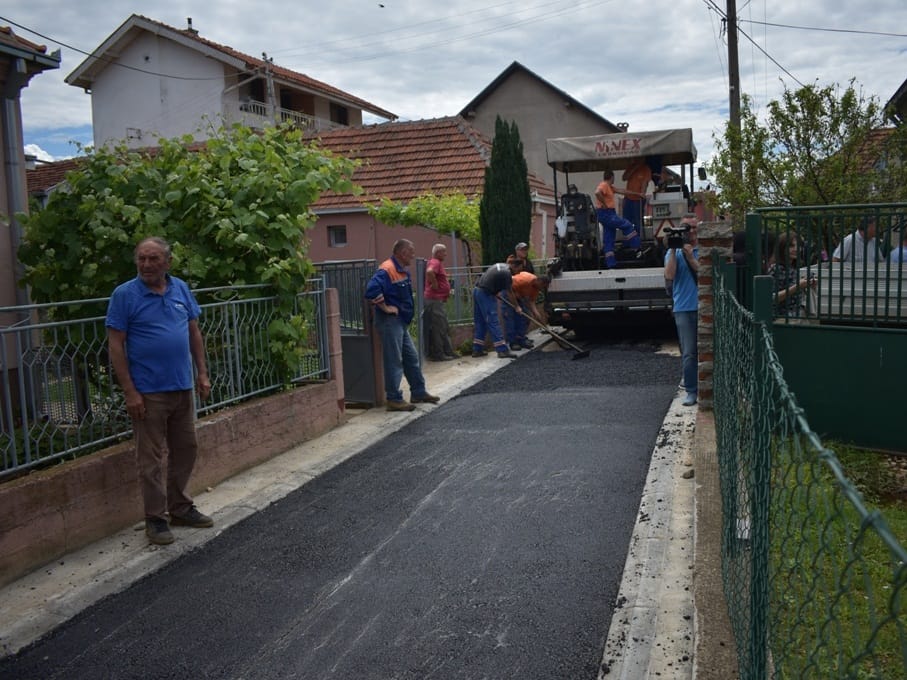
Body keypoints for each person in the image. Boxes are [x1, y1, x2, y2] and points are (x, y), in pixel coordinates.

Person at [106, 236, 213, 546]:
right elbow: (115, 345)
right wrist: (130, 391)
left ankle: (180, 507)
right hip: (148, 391)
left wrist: (202, 373)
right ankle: (156, 518)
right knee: (150, 458)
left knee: (186, 448)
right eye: (142, 259)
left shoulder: (180, 288)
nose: (147, 265)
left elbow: (194, 332)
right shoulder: (124, 295)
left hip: (182, 385)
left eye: (153, 259)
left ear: (167, 262)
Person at [365, 239, 441, 412]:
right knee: (394, 360)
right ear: (402, 252)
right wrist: (385, 307)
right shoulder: (387, 269)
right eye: (411, 251)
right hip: (390, 322)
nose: (413, 255)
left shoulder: (400, 270)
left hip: (399, 323)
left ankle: (418, 392)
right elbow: (371, 290)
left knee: (411, 358)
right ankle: (393, 399)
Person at [664, 217, 699, 406]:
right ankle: (691, 391)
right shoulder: (674, 253)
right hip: (684, 308)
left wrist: (691, 257)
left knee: (709, 351)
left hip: (703, 306)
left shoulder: (704, 250)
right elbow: (669, 275)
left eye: (693, 228)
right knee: (688, 352)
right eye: (687, 228)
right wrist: (673, 249)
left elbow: (706, 274)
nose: (690, 232)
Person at [472, 258, 522, 359]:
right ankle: (502, 350)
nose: (518, 273)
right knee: (493, 321)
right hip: (485, 294)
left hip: (477, 291)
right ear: (514, 266)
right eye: (519, 270)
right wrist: (517, 306)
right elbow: (510, 292)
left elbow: (492, 280)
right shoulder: (507, 273)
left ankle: (477, 349)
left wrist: (495, 292)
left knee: (481, 322)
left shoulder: (500, 265)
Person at [595, 169, 642, 269]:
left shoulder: (610, 187)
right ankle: (636, 247)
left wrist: (638, 194)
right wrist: (604, 204)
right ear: (611, 177)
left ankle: (611, 264)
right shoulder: (604, 185)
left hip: (606, 214)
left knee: (609, 238)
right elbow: (597, 192)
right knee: (627, 225)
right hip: (607, 213)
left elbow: (623, 191)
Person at [768, 231, 816, 318]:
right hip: (781, 318)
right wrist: (797, 286)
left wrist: (806, 284)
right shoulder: (776, 269)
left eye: (799, 246)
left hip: (796, 315)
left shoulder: (793, 267)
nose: (796, 249)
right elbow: (771, 298)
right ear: (782, 248)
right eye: (791, 246)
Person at [423, 243, 456, 361]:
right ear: (438, 253)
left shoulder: (436, 262)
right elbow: (429, 272)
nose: (446, 254)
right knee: (440, 327)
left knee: (441, 326)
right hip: (434, 300)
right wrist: (435, 284)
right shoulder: (435, 262)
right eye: (444, 252)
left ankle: (446, 352)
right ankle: (440, 354)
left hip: (436, 300)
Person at [504, 272, 550, 350]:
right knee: (510, 318)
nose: (541, 289)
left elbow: (531, 302)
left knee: (526, 316)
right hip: (507, 294)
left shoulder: (536, 288)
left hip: (518, 296)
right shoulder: (524, 280)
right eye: (542, 286)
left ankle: (520, 338)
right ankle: (513, 342)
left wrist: (536, 314)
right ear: (539, 281)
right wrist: (517, 306)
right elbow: (509, 289)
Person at [621, 158, 653, 233]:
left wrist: (642, 194)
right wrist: (634, 168)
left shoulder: (646, 169)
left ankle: (637, 241)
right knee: (626, 220)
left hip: (638, 200)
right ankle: (627, 240)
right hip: (628, 198)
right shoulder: (631, 166)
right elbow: (624, 178)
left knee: (637, 221)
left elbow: (645, 183)